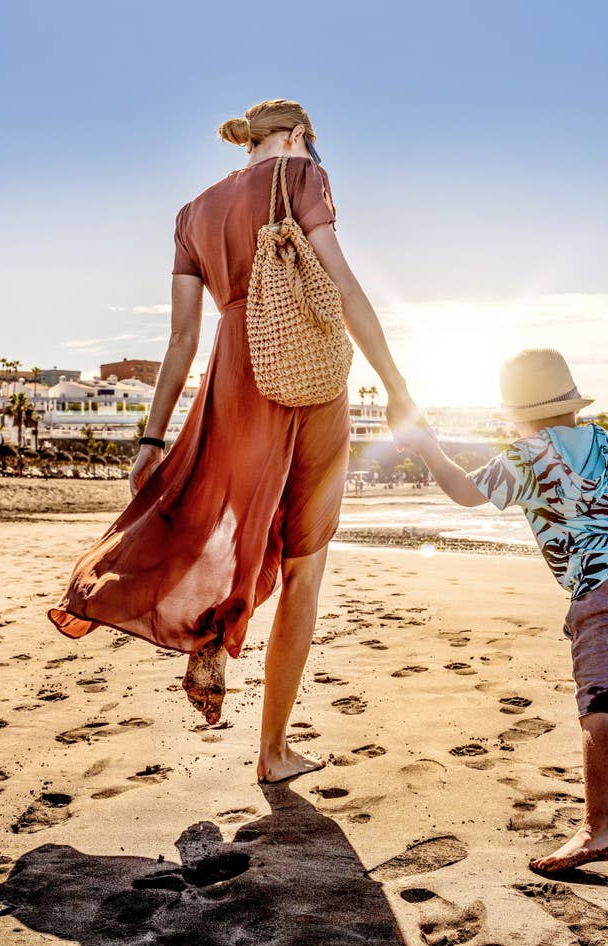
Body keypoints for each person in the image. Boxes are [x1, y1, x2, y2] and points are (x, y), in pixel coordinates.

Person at [49, 99, 419, 783]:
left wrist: (154, 436)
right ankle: (273, 751)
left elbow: (182, 340)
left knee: (231, 522)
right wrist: (395, 384)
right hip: (304, 378)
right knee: (304, 563)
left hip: (233, 381)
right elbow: (341, 284)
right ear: (299, 136)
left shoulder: (193, 214)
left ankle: (214, 628)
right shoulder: (302, 176)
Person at [396, 348, 608, 875]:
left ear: (517, 412)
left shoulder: (527, 454)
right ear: (572, 402)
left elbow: (466, 493)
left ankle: (600, 827)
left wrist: (429, 450)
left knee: (601, 707)